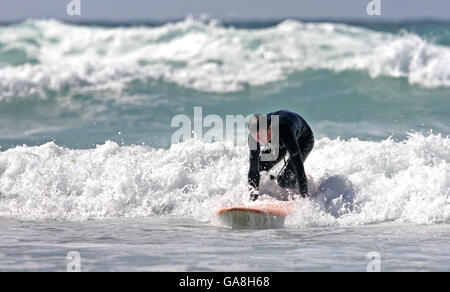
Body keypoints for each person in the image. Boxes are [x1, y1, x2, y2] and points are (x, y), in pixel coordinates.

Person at [248, 110, 314, 200]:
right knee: (259, 167)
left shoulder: (284, 129)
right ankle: (281, 179)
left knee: (284, 180)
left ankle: (299, 182)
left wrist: (305, 199)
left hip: (303, 140)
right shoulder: (253, 137)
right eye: (257, 137)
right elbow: (253, 168)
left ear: (270, 128)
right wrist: (253, 198)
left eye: (262, 135)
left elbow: (298, 165)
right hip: (279, 141)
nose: (260, 140)